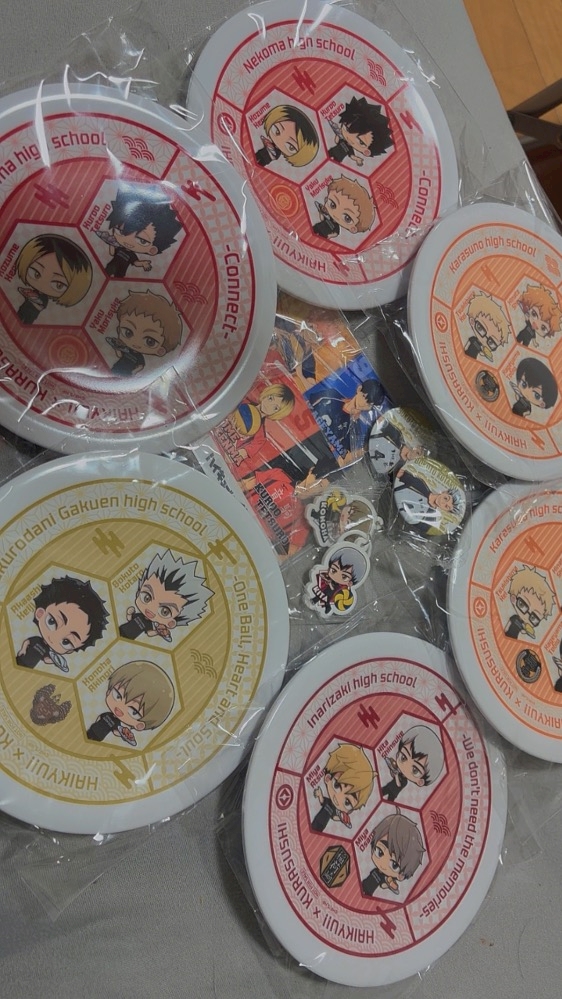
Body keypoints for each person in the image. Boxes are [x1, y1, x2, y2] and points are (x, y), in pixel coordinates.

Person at [16, 576, 108, 672]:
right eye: (52, 622)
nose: (54, 638)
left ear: (70, 650)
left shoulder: (48, 651)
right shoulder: (36, 640)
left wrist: (56, 662)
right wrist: (23, 650)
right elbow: (27, 642)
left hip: (27, 669)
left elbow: (46, 660)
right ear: (40, 613)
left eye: (66, 641)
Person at [119, 549, 213, 643]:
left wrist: (157, 632)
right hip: (121, 629)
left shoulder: (150, 624)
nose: (151, 608)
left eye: (164, 611)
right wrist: (129, 613)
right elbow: (129, 618)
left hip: (128, 637)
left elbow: (149, 633)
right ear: (138, 593)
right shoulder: (139, 615)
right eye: (147, 598)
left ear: (171, 623)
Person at [97, 182, 182, 277]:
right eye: (121, 231)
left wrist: (143, 263)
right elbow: (112, 253)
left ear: (152, 250)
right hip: (110, 267)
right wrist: (111, 243)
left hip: (120, 273)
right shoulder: (119, 248)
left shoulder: (132, 256)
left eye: (142, 240)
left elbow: (136, 262)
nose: (128, 239)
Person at [86, 660, 175, 746]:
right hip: (91, 730)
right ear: (108, 692)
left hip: (99, 737)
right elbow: (99, 718)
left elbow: (116, 732)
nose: (120, 707)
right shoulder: (106, 715)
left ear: (139, 725)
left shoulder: (117, 724)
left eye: (134, 711)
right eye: (118, 696)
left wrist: (124, 734)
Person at [306, 377, 386, 464]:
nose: (363, 403)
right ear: (359, 389)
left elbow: (343, 459)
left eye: (369, 404)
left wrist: (368, 447)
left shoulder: (354, 430)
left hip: (314, 456)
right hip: (302, 434)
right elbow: (305, 402)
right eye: (363, 397)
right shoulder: (331, 395)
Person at [16, 234, 92, 324]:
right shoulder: (35, 292)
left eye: (59, 285)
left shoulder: (43, 298)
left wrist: (33, 299)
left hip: (30, 316)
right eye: (36, 274)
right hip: (22, 311)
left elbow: (40, 306)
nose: (42, 283)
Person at [106, 290, 183, 376]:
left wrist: (133, 373)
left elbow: (140, 366)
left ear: (160, 351)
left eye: (150, 342)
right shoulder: (126, 349)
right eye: (128, 333)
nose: (136, 342)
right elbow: (120, 355)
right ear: (118, 330)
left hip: (126, 374)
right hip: (117, 369)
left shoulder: (140, 358)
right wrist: (117, 348)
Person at [311, 743, 376, 831]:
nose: (339, 797)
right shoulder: (328, 802)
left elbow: (334, 817)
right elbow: (322, 801)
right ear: (327, 778)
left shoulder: (335, 811)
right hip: (316, 820)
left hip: (322, 825)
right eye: (337, 785)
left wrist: (342, 819)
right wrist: (319, 794)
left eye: (347, 802)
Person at [361, 810, 425, 896]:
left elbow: (385, 885)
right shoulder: (375, 871)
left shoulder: (386, 878)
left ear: (401, 876)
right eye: (380, 852)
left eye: (394, 865)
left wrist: (390, 884)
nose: (383, 864)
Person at [229, 383, 295, 461]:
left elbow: (233, 458)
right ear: (266, 394)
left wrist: (233, 438)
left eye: (275, 407)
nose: (269, 405)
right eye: (270, 398)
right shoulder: (243, 400)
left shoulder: (260, 437)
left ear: (278, 413)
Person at [393, 466, 464, 534]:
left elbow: (408, 529)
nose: (442, 502)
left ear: (447, 511)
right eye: (445, 498)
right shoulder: (419, 484)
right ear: (444, 492)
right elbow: (398, 473)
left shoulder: (430, 519)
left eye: (446, 506)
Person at [381, 725, 444, 801]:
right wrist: (393, 771)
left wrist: (396, 775)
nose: (405, 766)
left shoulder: (404, 782)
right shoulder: (399, 772)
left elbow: (398, 785)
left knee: (389, 802)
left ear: (420, 782)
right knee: (380, 793)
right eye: (403, 758)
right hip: (388, 787)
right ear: (398, 754)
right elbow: (393, 776)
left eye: (415, 770)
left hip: (393, 792)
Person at [327, 96, 393, 166]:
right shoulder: (343, 140)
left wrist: (358, 159)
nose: (350, 136)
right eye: (347, 127)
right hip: (331, 151)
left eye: (360, 141)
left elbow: (352, 156)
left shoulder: (350, 149)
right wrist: (337, 133)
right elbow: (336, 141)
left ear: (366, 152)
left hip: (338, 159)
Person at [308, 544, 368, 615]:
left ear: (350, 583)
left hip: (332, 594)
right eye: (334, 570)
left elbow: (333, 589)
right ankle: (316, 601)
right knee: (322, 595)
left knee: (326, 599)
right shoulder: (328, 577)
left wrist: (330, 584)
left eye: (344, 576)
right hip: (326, 591)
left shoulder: (342, 589)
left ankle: (326, 607)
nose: (336, 576)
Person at [254, 105, 319, 168]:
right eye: (277, 131)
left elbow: (274, 156)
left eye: (291, 147)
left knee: (259, 165)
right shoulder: (272, 145)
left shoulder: (277, 153)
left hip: (265, 159)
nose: (280, 140)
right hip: (260, 153)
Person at [504, 565, 555, 640]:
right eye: (522, 604)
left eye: (534, 618)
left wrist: (526, 631)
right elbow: (507, 625)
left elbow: (522, 631)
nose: (526, 616)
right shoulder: (514, 617)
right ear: (513, 599)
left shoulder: (524, 625)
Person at [464, 292, 510, 361]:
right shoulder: (472, 339)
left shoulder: (483, 349)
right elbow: (465, 348)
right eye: (480, 328)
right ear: (472, 321)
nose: (484, 340)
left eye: (491, 342)